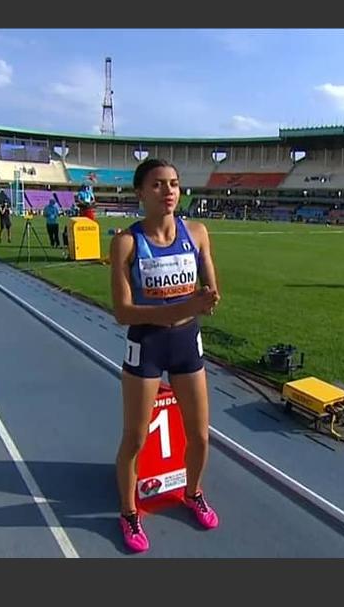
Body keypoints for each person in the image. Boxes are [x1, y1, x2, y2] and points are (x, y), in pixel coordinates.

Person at [109, 158, 221, 553]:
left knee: (201, 436)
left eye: (174, 183)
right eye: (158, 184)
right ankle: (128, 512)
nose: (169, 191)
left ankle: (193, 492)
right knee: (135, 438)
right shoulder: (126, 242)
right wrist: (175, 310)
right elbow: (122, 313)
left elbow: (211, 287)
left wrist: (208, 299)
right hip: (147, 346)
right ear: (140, 192)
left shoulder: (198, 233)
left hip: (187, 342)